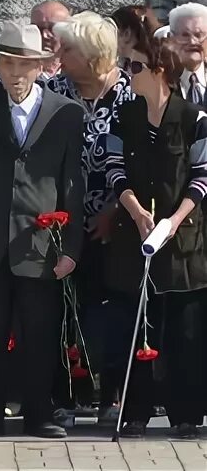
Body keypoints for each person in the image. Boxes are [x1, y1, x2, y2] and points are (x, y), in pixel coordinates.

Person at [0, 22, 85, 439]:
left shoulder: (65, 112)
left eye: (25, 65)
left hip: (41, 240)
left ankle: (39, 413)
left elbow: (73, 181)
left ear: (41, 67)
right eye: (8, 63)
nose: (15, 73)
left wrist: (71, 246)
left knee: (40, 332)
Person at [103, 34, 207, 438]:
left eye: (136, 67)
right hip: (136, 234)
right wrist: (135, 208)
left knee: (185, 329)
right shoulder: (122, 116)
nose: (129, 74)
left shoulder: (194, 118)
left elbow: (201, 177)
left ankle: (185, 413)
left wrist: (174, 220)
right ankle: (136, 411)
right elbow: (113, 168)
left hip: (184, 241)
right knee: (136, 323)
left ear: (159, 71)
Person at [47, 11, 137, 422]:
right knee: (66, 310)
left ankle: (112, 396)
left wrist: (116, 210)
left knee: (117, 310)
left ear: (93, 56)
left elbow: (141, 162)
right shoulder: (53, 89)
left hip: (118, 224)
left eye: (68, 49)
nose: (58, 53)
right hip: (62, 225)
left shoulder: (131, 92)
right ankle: (67, 396)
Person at [168, 3, 207, 107]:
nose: (192, 42)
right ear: (171, 39)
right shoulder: (159, 82)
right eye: (185, 35)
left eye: (198, 35)